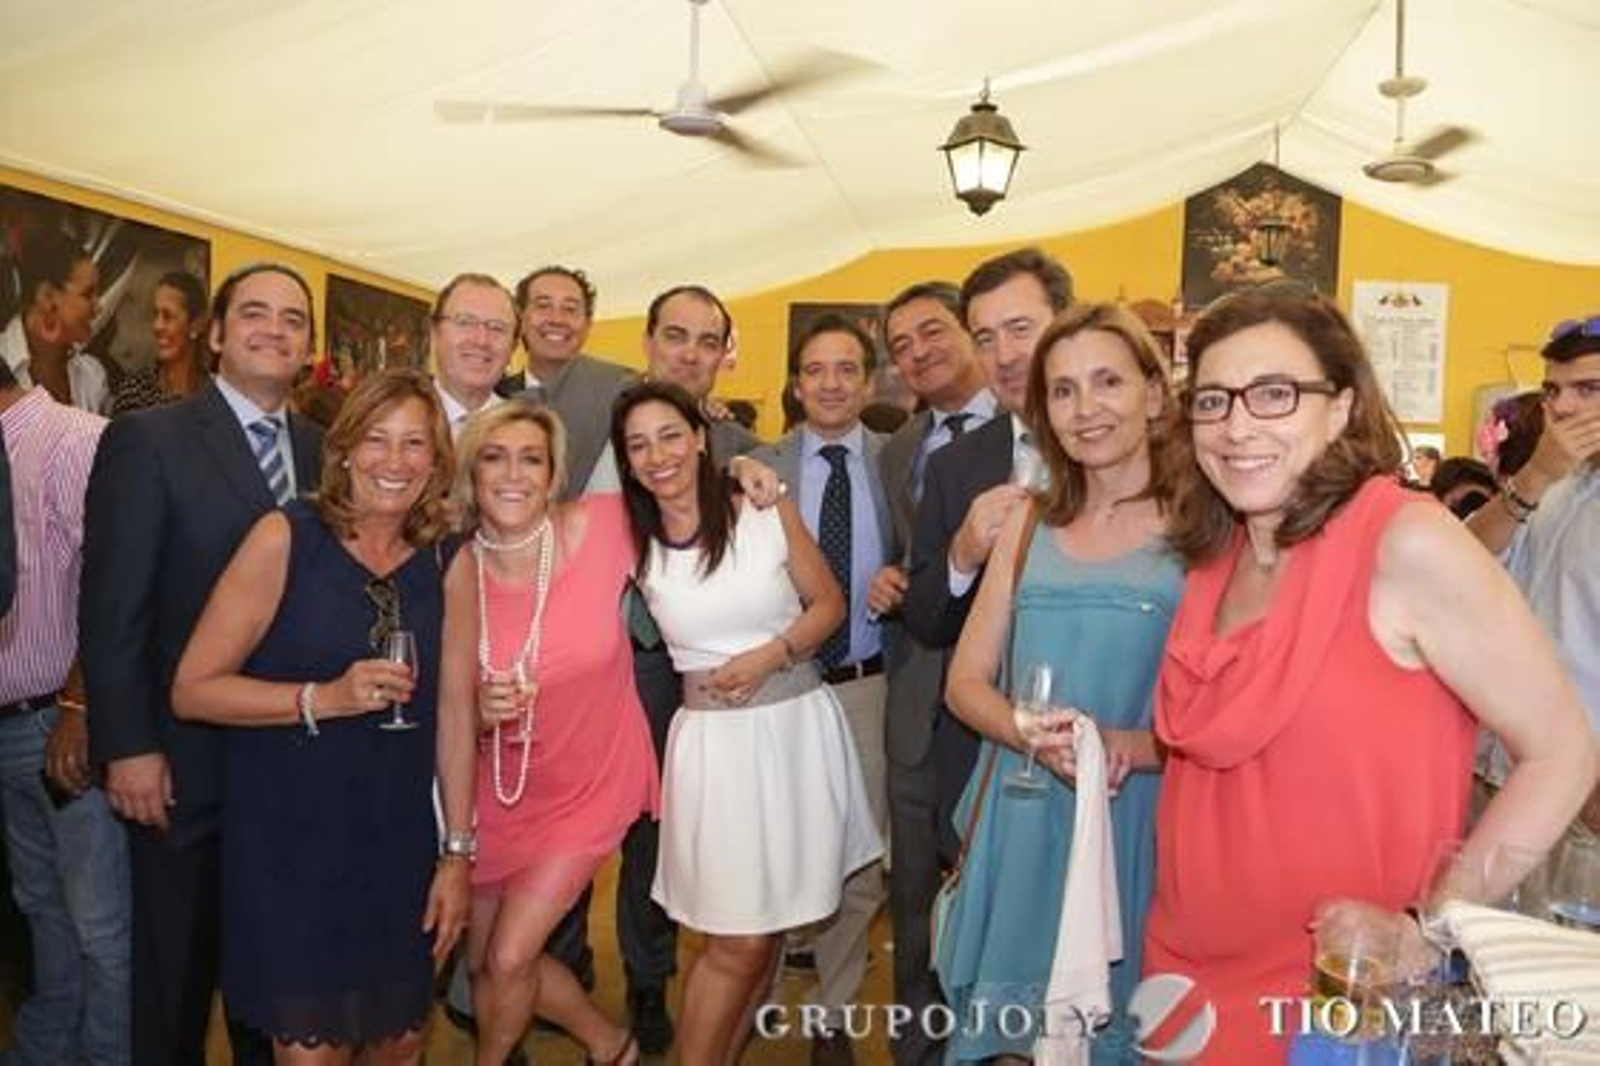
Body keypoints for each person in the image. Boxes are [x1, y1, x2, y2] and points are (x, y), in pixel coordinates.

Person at [1143, 286, 1596, 1063]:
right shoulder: (1214, 554)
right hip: (1182, 975)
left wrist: (1429, 925)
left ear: (1344, 406)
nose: (1237, 425)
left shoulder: (1405, 543)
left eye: (1275, 394)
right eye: (1213, 400)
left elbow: (1563, 751)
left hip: (1337, 994)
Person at [169, 370, 472, 1061]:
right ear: (342, 450)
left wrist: (458, 854)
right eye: (376, 440)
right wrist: (321, 698)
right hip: (291, 847)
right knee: (313, 1054)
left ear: (436, 461)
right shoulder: (284, 538)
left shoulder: (448, 561)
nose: (394, 462)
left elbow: (456, 714)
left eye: (414, 444)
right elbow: (193, 688)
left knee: (400, 1046)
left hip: (398, 847)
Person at [81, 262, 324, 1066]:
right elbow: (113, 605)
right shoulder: (148, 441)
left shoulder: (328, 455)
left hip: (293, 770)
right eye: (254, 314)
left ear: (310, 349)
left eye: (294, 319)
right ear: (215, 334)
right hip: (182, 769)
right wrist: (128, 746)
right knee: (174, 989)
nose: (274, 330)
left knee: (274, 988)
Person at [611, 380, 881, 1066]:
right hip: (718, 753)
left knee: (768, 934)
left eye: (670, 435)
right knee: (734, 940)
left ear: (702, 437)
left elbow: (827, 603)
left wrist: (771, 653)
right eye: (637, 445)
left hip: (794, 733)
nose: (657, 455)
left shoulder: (761, 506)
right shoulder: (625, 539)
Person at [940, 303, 1181, 1063]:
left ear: (1155, 391)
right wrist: (1030, 737)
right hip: (1023, 809)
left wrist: (1132, 748)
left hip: (1136, 821)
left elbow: (1234, 712)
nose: (1087, 408)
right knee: (1013, 1042)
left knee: (1119, 1040)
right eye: (1064, 390)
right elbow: (965, 681)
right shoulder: (1028, 524)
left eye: (1108, 381)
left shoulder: (1207, 529)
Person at [441, 402, 658, 1066]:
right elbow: (445, 703)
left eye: (531, 458)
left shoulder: (604, 525)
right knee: (483, 964)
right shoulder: (455, 569)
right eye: (494, 457)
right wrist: (479, 711)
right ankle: (609, 1044)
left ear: (554, 472)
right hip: (498, 794)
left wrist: (750, 475)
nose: (513, 474)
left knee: (509, 956)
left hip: (593, 778)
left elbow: (690, 500)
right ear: (469, 472)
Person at [750, 313, 899, 1065]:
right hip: (783, 684)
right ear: (796, 383)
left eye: (848, 369)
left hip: (867, 686)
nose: (833, 384)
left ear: (867, 382)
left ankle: (833, 1011)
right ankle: (762, 989)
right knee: (777, 848)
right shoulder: (755, 467)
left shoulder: (898, 462)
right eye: (817, 370)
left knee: (861, 858)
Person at [0, 353, 131, 1065]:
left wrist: (80, 705)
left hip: (60, 719)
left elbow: (111, 584)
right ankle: (50, 1050)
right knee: (40, 909)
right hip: (9, 727)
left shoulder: (73, 439)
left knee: (99, 925)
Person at [875, 279, 993, 1066]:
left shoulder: (1036, 430)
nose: (917, 353)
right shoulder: (900, 450)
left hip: (1005, 695)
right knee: (913, 887)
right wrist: (891, 579)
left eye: (931, 332)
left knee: (993, 883)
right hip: (918, 692)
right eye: (900, 346)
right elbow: (915, 561)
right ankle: (917, 1044)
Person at [1466, 315, 1600, 839]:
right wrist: (1536, 477)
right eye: (1553, 390)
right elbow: (1466, 562)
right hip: (1501, 773)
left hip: (1580, 796)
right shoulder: (1560, 486)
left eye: (1589, 389)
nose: (1562, 407)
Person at [0, 228, 109, 414]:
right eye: (87, 294)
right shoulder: (4, 355)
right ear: (47, 296)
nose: (98, 307)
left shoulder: (93, 375)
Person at [430, 273, 517, 439]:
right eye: (465, 322)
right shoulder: (387, 419)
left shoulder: (525, 429)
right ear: (435, 333)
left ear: (513, 347)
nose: (481, 340)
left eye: (497, 328)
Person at [112, 271, 210, 415]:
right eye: (155, 314)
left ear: (196, 324)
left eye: (168, 316)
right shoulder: (135, 392)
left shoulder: (215, 394)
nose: (157, 326)